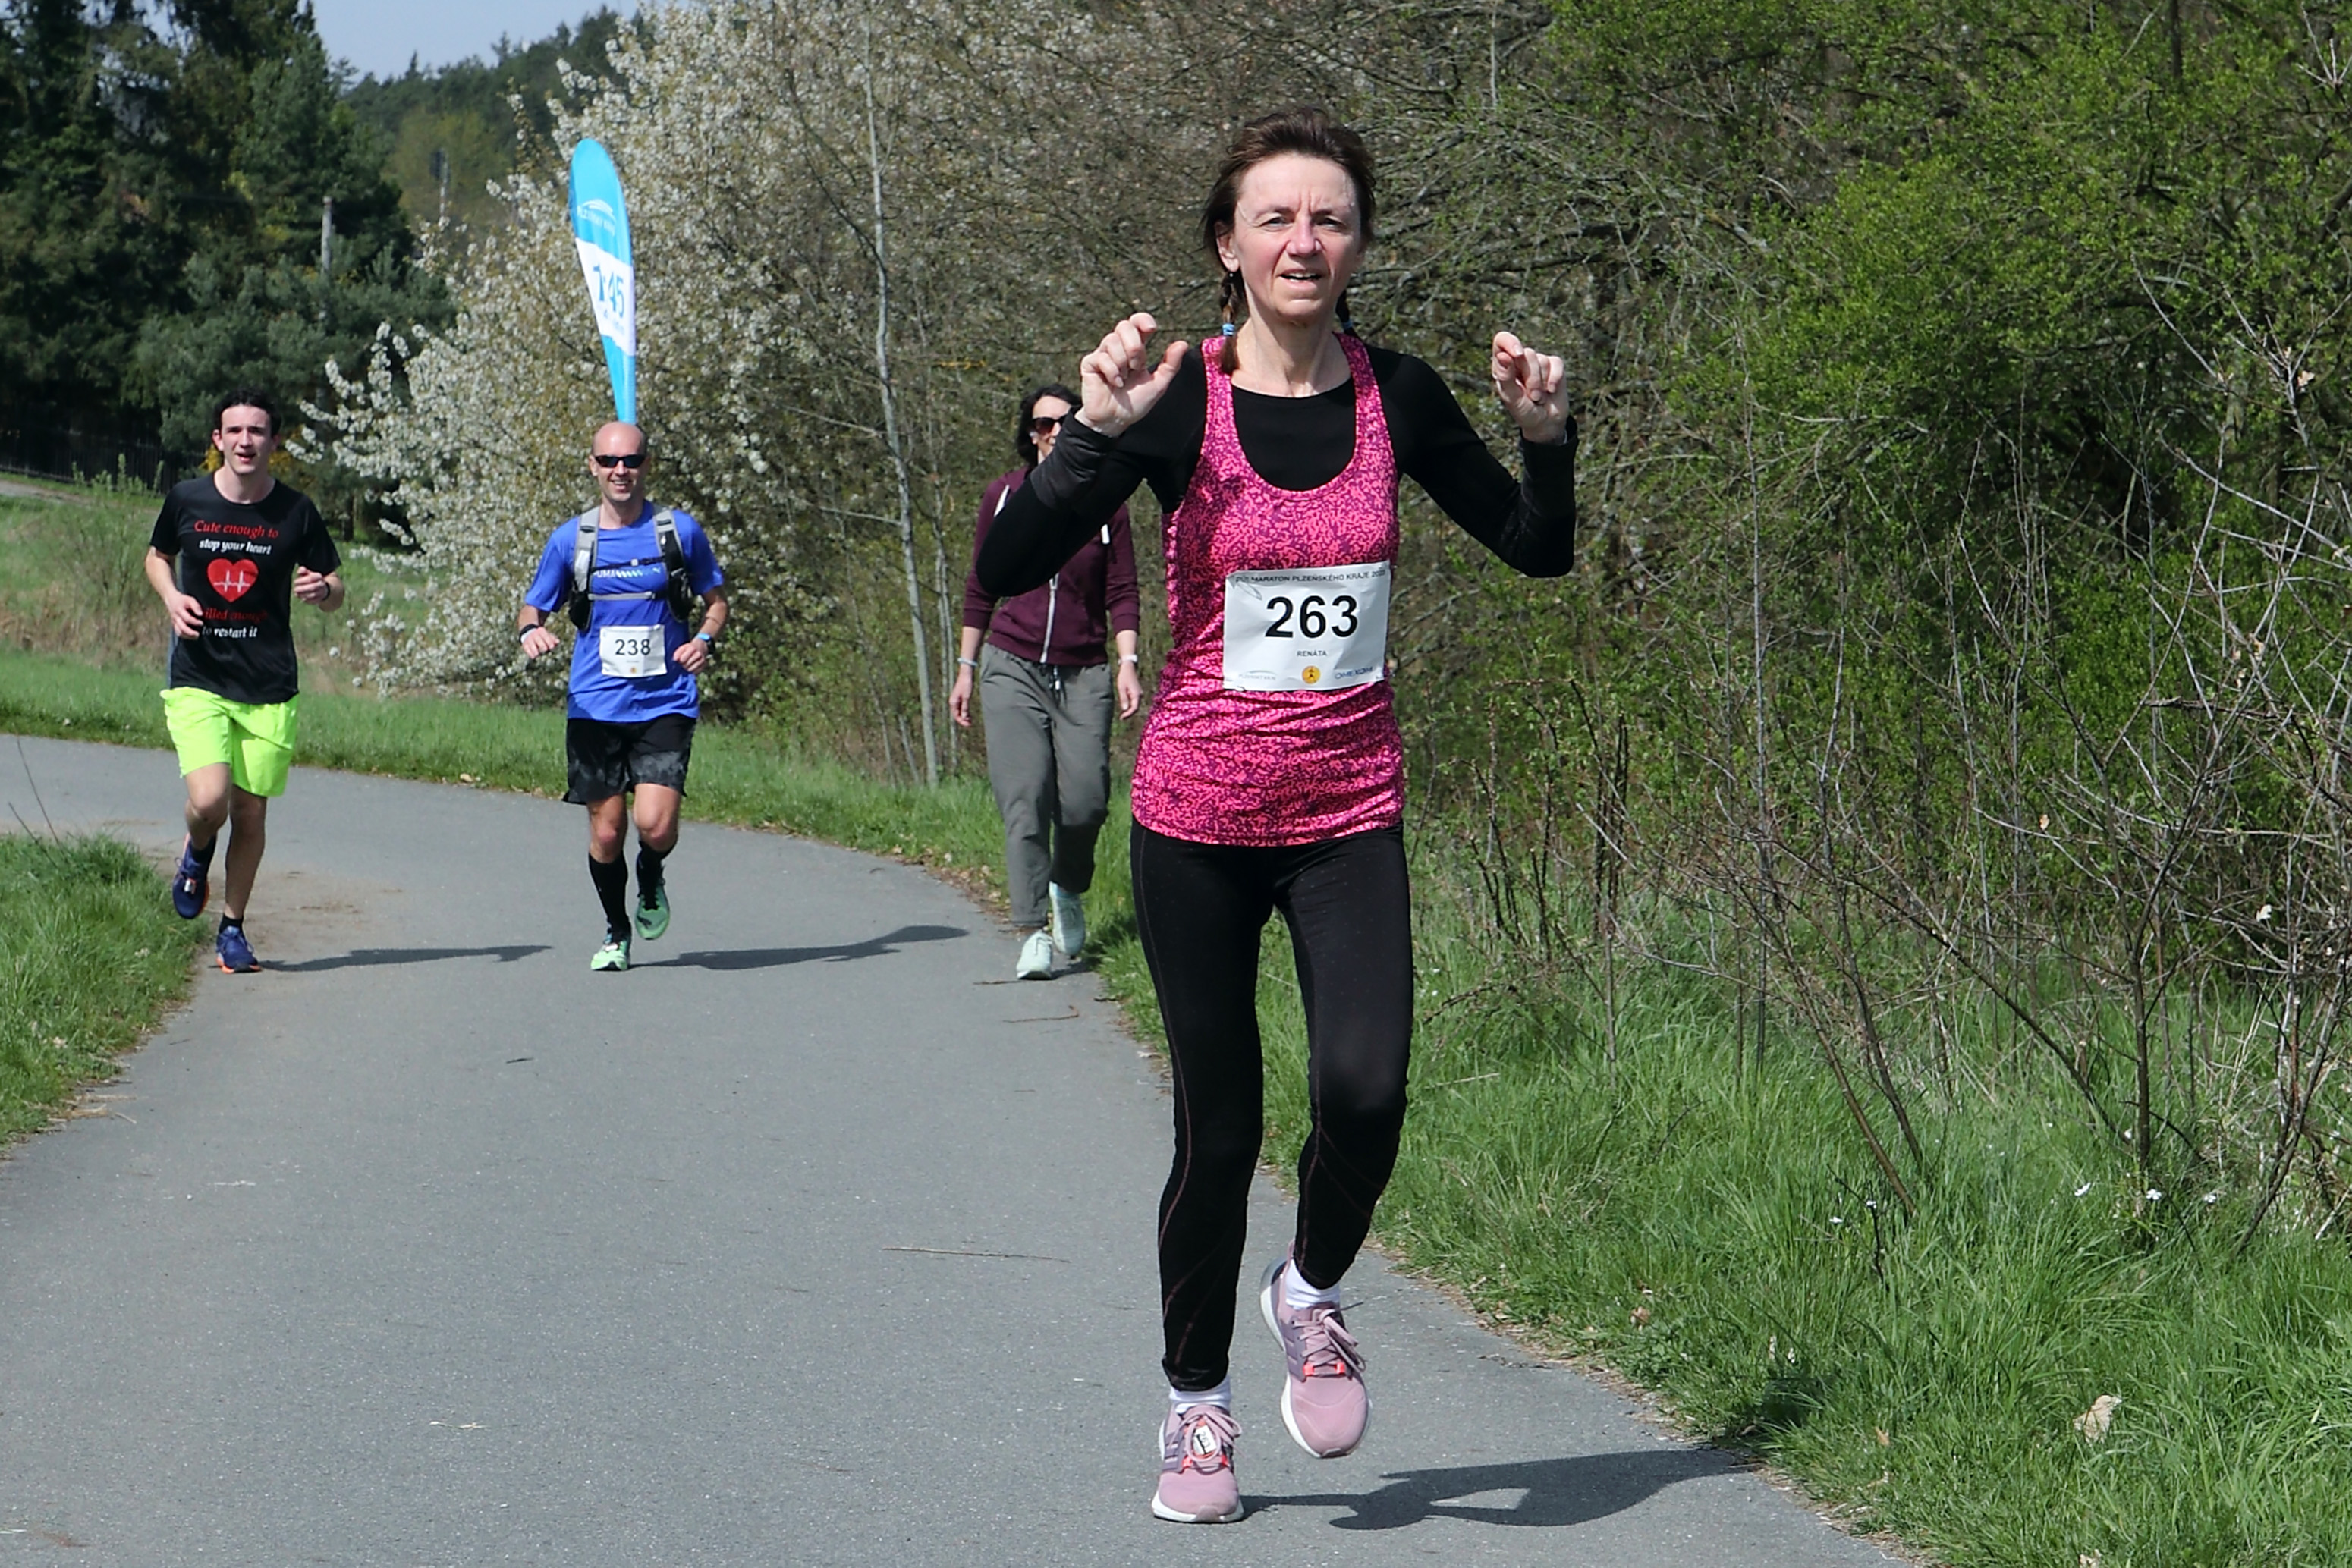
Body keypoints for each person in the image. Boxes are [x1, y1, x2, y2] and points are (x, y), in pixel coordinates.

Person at [976, 107, 1577, 1523]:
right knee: (1221, 1127)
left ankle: (1307, 1288)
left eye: (1331, 218)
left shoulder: (1398, 396)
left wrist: (1547, 441)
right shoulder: (1174, 398)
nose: (1305, 241)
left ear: (1358, 245)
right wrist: (1091, 440)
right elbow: (1009, 559)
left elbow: (1536, 549)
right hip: (1196, 816)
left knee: (1367, 1090)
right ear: (1227, 245)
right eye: (1276, 218)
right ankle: (1196, 1404)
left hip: (1348, 809)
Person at [146, 389, 346, 973]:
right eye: (234, 430)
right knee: (209, 801)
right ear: (218, 439)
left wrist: (323, 590)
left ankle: (232, 929)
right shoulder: (188, 499)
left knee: (251, 814)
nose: (245, 441)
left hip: (268, 682)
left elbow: (336, 587)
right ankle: (197, 848)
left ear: (273, 441)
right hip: (199, 674)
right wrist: (172, 598)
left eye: (257, 431)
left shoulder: (295, 511)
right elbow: (156, 556)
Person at [518, 422, 728, 972]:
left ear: (646, 465)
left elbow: (717, 602)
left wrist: (703, 640)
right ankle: (616, 930)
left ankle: (651, 872)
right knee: (608, 831)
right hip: (595, 706)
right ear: (592, 466)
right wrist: (530, 631)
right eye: (610, 461)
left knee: (655, 825)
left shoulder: (678, 532)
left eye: (631, 460)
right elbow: (533, 606)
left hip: (665, 701)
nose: (621, 471)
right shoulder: (572, 540)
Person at [950, 384, 1143, 979]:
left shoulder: (1106, 503)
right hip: (1011, 665)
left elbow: (1122, 589)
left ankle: (1068, 885)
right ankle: (1032, 928)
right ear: (1029, 434)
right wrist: (966, 667)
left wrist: (1128, 660)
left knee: (1086, 802)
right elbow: (982, 584)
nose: (1054, 432)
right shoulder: (1004, 496)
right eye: (1042, 424)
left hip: (1084, 668)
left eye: (1064, 421)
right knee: (1025, 798)